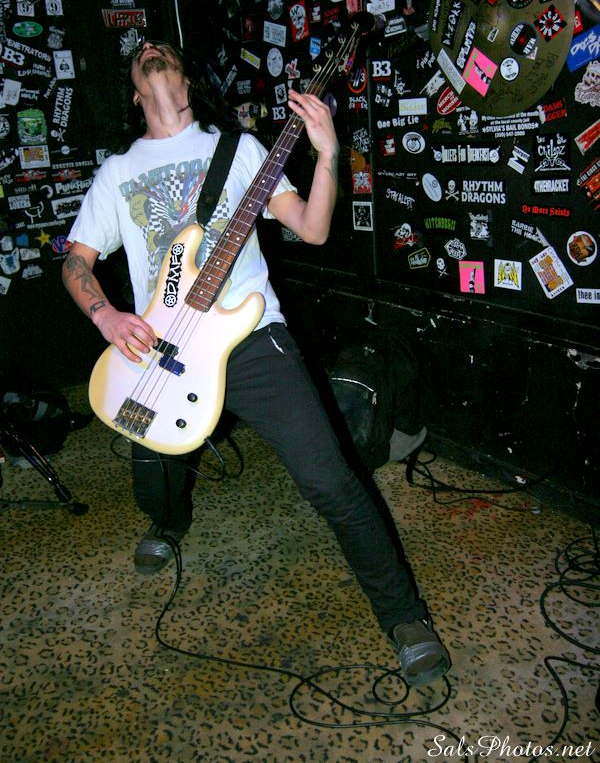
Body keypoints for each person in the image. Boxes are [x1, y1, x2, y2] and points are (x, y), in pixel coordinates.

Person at [62, 38, 450, 687]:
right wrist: (106, 316)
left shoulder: (239, 151)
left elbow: (313, 228)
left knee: (330, 480)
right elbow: (76, 262)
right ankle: (170, 519)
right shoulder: (118, 172)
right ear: (135, 92)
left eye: (164, 49)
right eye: (142, 51)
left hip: (250, 339)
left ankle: (405, 618)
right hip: (160, 346)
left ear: (185, 81)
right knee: (152, 480)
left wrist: (327, 154)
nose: (151, 48)